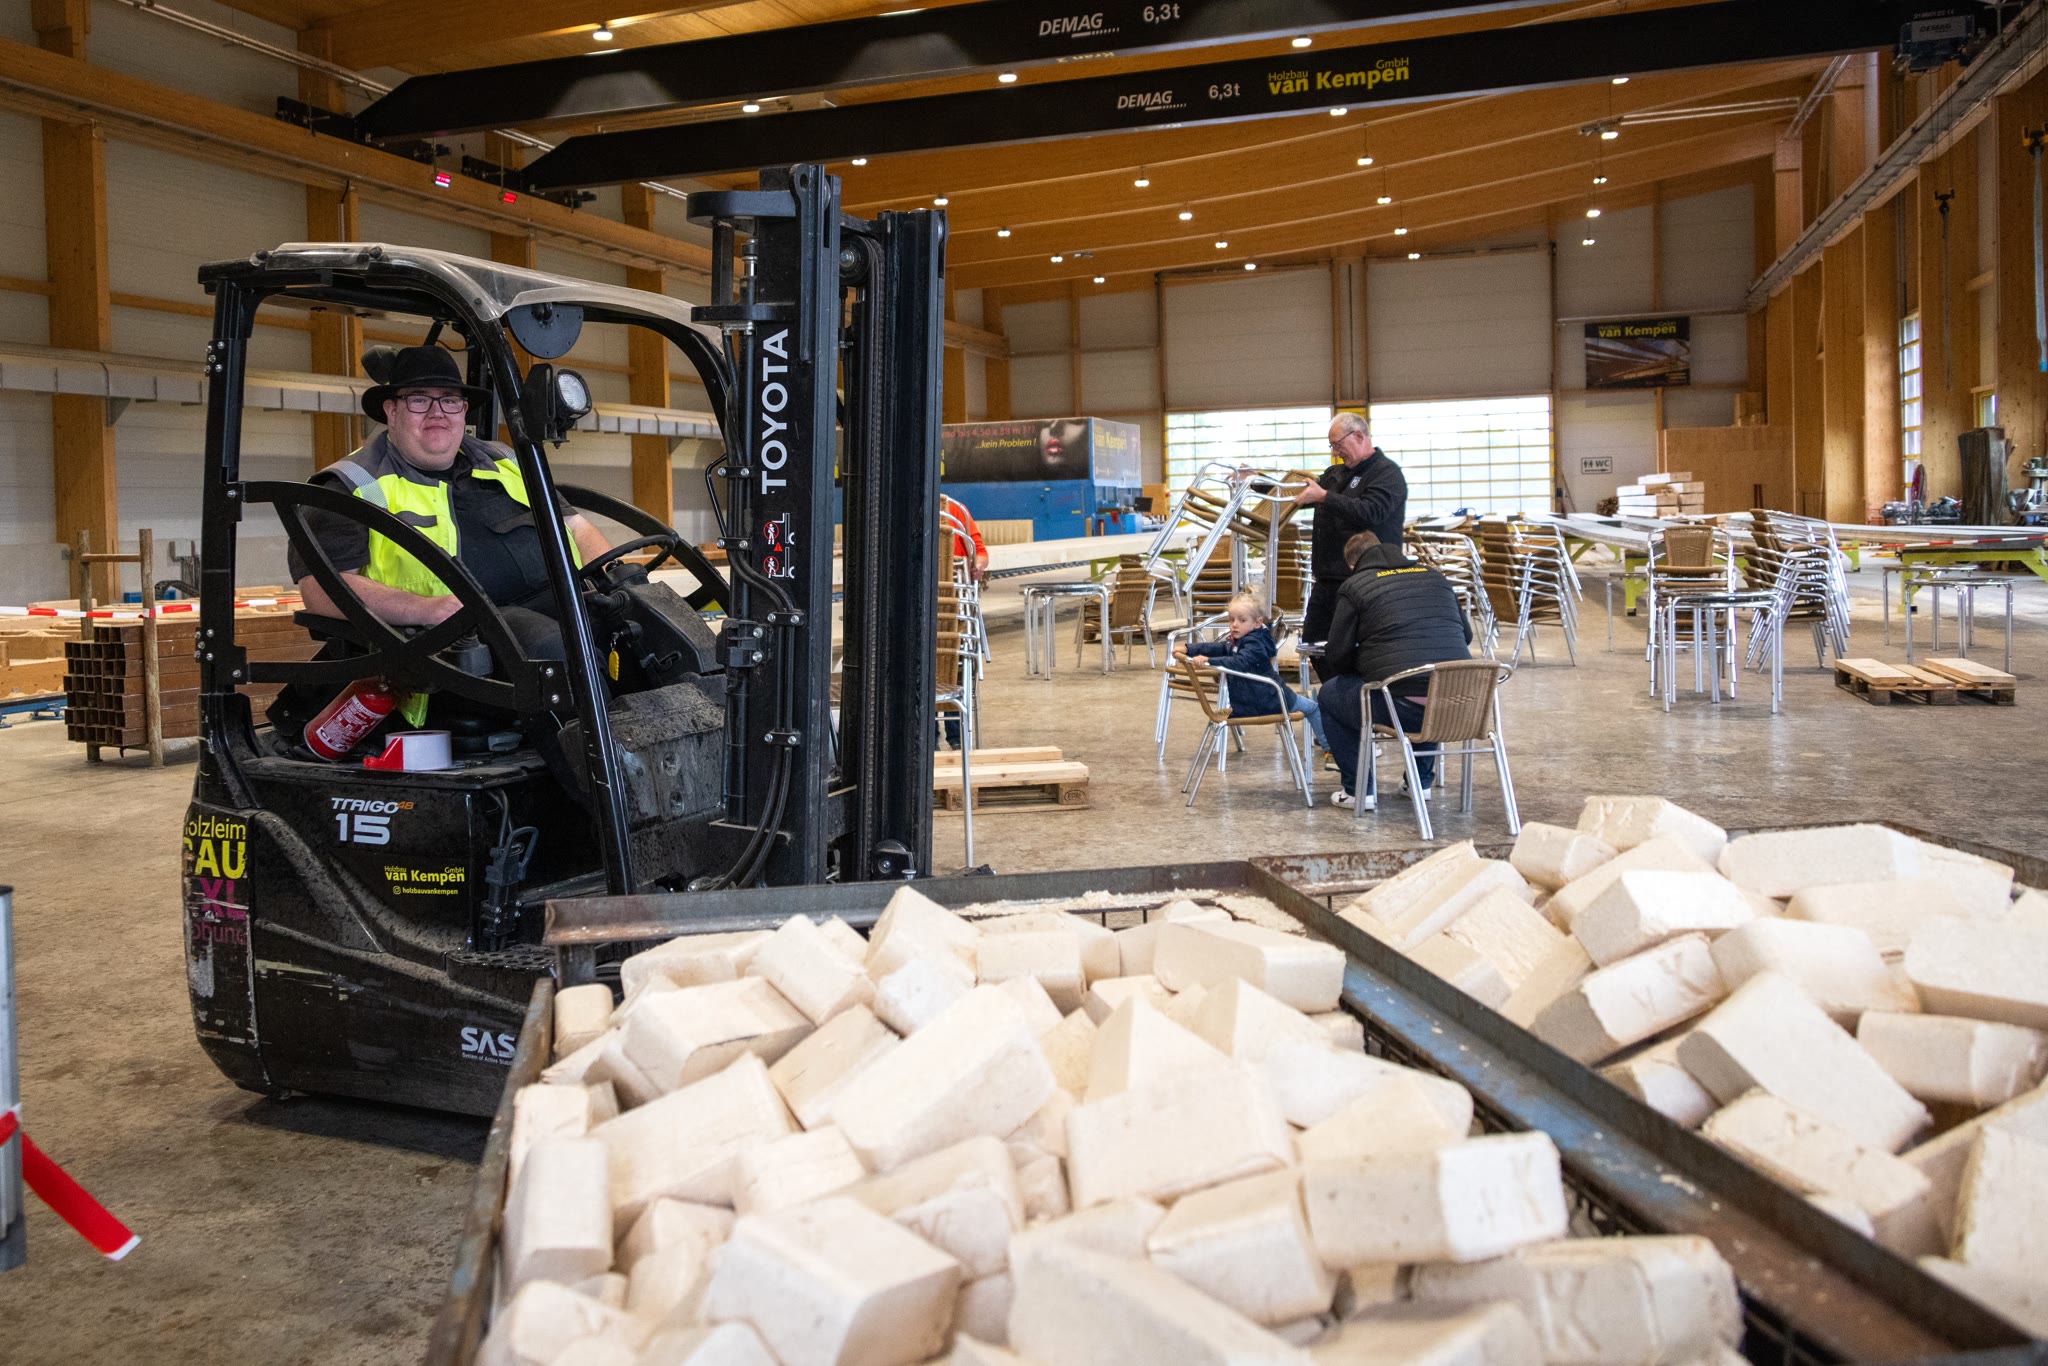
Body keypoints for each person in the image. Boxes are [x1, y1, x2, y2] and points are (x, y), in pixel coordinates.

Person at [287, 345, 613, 669]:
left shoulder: (507, 461)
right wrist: (425, 608)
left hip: (563, 602)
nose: (437, 412)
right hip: (457, 644)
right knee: (556, 651)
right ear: (391, 411)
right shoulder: (352, 484)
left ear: (463, 410)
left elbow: (577, 528)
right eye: (419, 400)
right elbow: (321, 589)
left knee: (632, 621)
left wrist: (614, 579)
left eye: (449, 399)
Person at [1317, 531, 1472, 810]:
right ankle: (1419, 783)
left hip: (1402, 708)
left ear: (1353, 565)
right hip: (1460, 703)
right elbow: (1467, 636)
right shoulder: (1436, 577)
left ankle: (1358, 790)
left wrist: (1367, 660)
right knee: (1431, 682)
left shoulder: (1355, 586)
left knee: (1330, 694)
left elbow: (1337, 656)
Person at [1294, 412, 1407, 675]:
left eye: (1338, 444)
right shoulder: (1335, 474)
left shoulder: (1387, 473)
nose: (1335, 452)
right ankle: (1338, 691)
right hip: (1327, 579)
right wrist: (1256, 483)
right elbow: (1299, 493)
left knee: (1355, 648)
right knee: (1314, 644)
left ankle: (1357, 692)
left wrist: (1325, 497)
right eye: (1331, 446)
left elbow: (1371, 512)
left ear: (1358, 436)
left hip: (1367, 581)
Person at [1173, 592, 1326, 750]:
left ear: (1257, 623)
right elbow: (1228, 654)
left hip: (1247, 702)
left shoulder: (1250, 643)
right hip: (1269, 700)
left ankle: (1318, 725)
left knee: (1308, 703)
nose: (1234, 625)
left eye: (1242, 620)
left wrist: (1203, 656)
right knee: (1313, 708)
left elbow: (1234, 657)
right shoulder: (1253, 641)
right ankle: (1329, 747)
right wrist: (1192, 650)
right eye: (1231, 620)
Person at [942, 494, 990, 581]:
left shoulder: (956, 509)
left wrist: (978, 566)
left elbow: (980, 553)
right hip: (955, 582)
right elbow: (981, 553)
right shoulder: (957, 508)